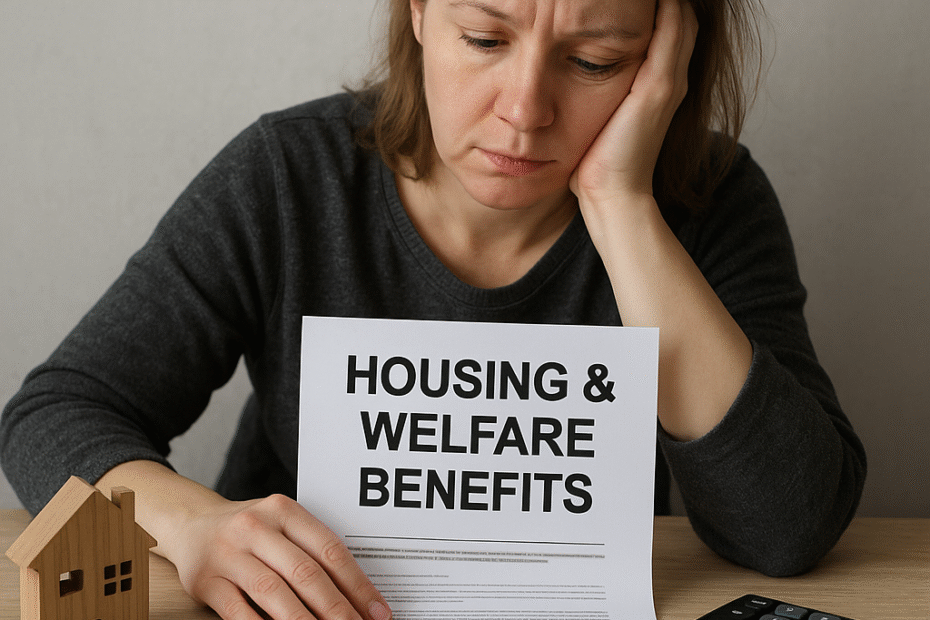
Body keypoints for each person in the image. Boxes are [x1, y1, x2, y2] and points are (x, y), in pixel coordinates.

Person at [1, 0, 867, 619]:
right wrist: (194, 526)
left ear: (663, 63)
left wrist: (621, 206)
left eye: (596, 60)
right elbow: (53, 415)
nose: (525, 113)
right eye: (485, 38)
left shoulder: (709, 202)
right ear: (417, 12)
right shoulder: (288, 177)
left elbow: (788, 528)